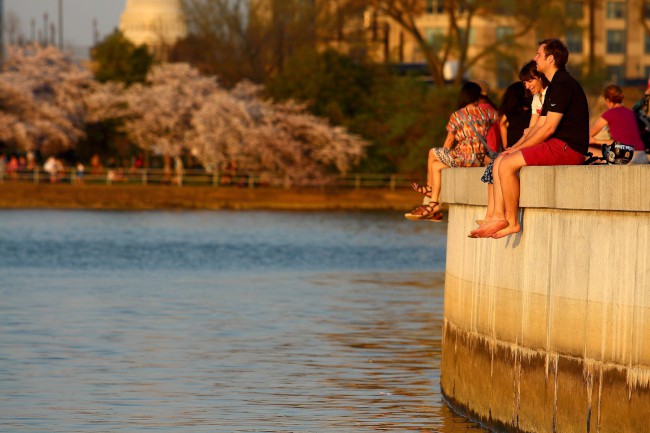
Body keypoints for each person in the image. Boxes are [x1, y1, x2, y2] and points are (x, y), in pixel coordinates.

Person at [472, 38, 589, 238]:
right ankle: (498, 215)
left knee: (508, 164)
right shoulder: (554, 85)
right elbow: (539, 126)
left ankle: (512, 221)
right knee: (502, 159)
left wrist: (518, 150)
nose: (535, 59)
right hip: (557, 145)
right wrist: (516, 147)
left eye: (538, 55)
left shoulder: (563, 85)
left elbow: (549, 128)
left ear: (551, 59)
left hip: (568, 148)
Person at [472, 61, 547, 233]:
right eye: (525, 83)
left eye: (529, 81)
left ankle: (500, 216)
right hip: (526, 143)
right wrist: (514, 147)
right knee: (499, 162)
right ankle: (496, 215)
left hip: (540, 145)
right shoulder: (536, 101)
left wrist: (511, 146)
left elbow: (534, 129)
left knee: (500, 164)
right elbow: (532, 129)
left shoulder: (508, 114)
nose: (527, 86)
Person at [406, 81, 499, 221]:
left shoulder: (458, 115)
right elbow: (501, 118)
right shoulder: (487, 113)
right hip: (478, 159)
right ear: (478, 97)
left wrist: (444, 155)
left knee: (432, 153)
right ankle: (434, 205)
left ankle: (429, 187)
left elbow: (449, 141)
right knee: (436, 166)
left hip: (463, 156)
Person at [589, 84, 647, 164]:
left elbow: (589, 135)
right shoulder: (630, 113)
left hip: (625, 156)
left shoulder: (609, 114)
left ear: (608, 100)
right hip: (641, 155)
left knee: (586, 152)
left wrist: (595, 141)